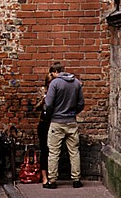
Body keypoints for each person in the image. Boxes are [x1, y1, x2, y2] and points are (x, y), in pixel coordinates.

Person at [43, 61, 84, 189]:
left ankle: (52, 180)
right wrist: (73, 113)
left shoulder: (55, 83)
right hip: (71, 122)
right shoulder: (76, 83)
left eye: (52, 73)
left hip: (57, 122)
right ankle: (76, 179)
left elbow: (48, 103)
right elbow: (81, 103)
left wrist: (51, 114)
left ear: (55, 72)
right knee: (74, 151)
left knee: (54, 152)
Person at [35, 72, 54, 186]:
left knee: (54, 151)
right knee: (44, 150)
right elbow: (35, 107)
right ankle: (44, 176)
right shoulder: (43, 90)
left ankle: (52, 175)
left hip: (55, 123)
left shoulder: (57, 91)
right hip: (44, 123)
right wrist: (42, 101)